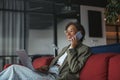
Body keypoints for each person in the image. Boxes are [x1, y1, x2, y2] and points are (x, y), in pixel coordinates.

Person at [0, 22, 91, 80]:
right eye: (66, 31)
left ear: (80, 34)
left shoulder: (84, 49)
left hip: (55, 77)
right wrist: (45, 68)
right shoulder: (65, 49)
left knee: (14, 68)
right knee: (14, 74)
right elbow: (57, 64)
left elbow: (74, 69)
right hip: (48, 74)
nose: (67, 34)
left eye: (71, 31)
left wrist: (72, 48)